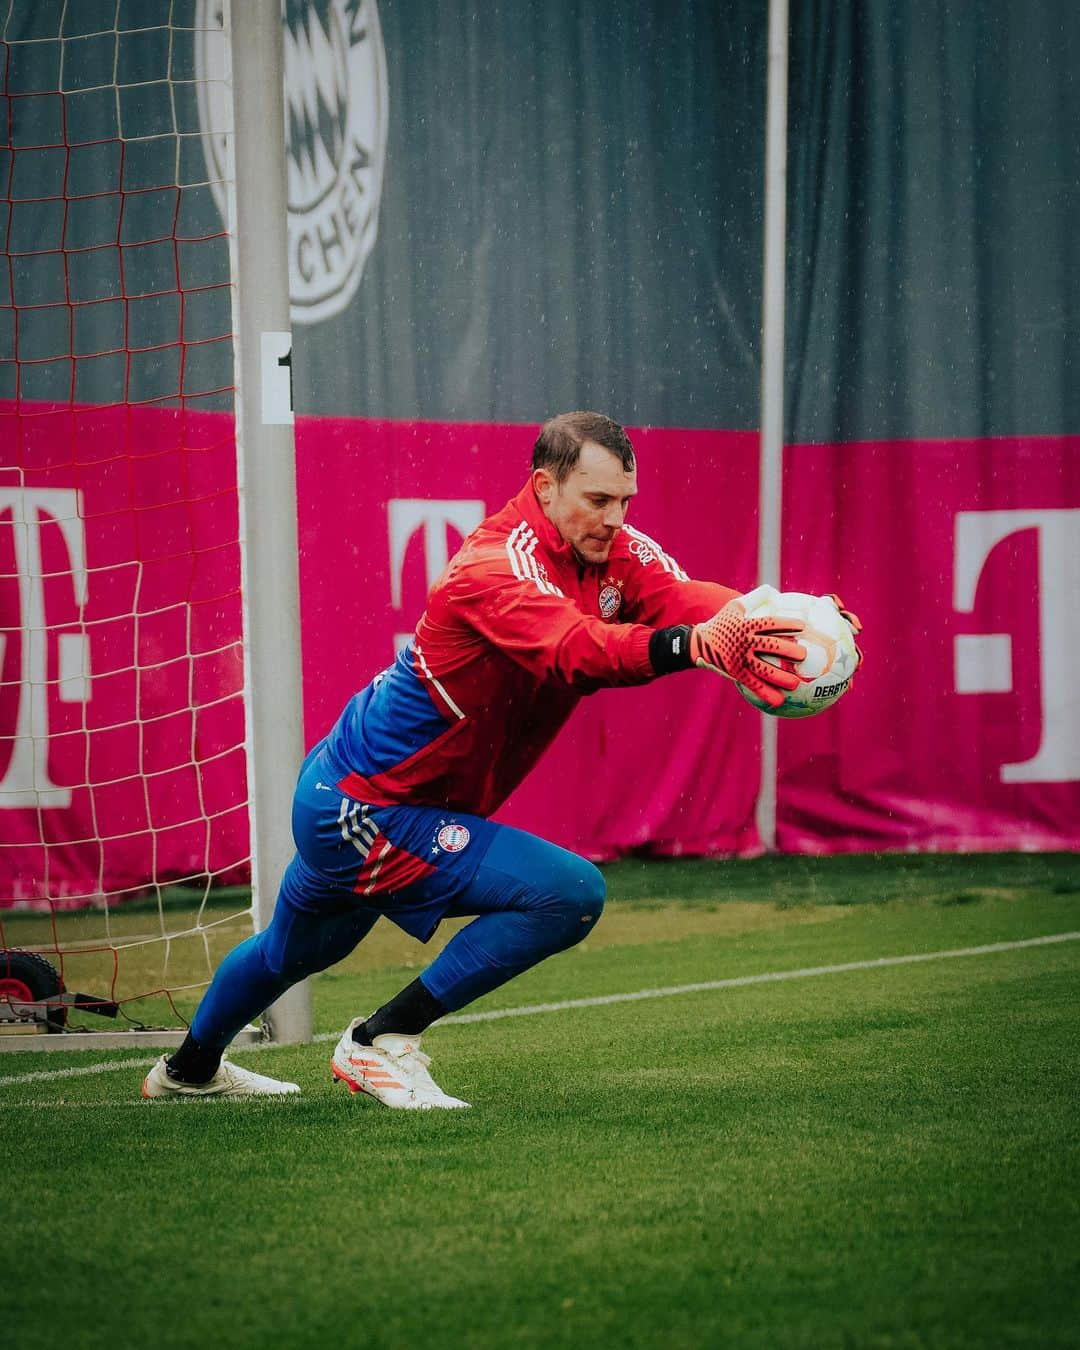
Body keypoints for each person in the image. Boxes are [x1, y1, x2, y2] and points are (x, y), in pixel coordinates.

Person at [142, 411, 848, 1107]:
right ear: (545, 488)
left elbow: (683, 598)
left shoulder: (611, 551)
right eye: (597, 500)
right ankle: (382, 1040)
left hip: (358, 794)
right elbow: (578, 652)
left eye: (625, 500)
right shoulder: (492, 567)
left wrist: (772, 618)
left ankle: (188, 1070)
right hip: (364, 808)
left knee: (291, 954)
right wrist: (692, 647)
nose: (614, 517)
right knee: (568, 895)